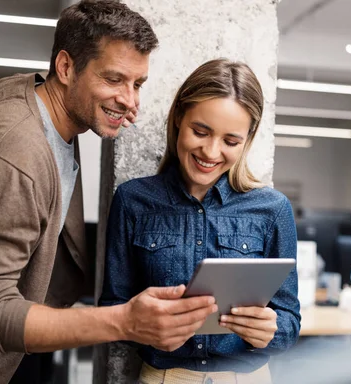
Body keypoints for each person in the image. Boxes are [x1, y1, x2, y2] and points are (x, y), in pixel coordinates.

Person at [0, 2, 217, 384]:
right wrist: (124, 321)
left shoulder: (39, 99)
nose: (131, 101)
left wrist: (110, 102)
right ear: (65, 68)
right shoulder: (17, 156)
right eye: (114, 79)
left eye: (137, 84)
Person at [99, 59, 301, 384]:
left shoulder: (272, 209)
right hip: (164, 376)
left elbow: (290, 320)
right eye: (200, 131)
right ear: (179, 117)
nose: (211, 151)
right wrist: (144, 324)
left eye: (230, 141)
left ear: (248, 139)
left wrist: (271, 330)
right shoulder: (133, 201)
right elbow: (113, 308)